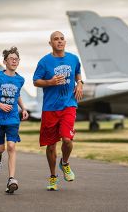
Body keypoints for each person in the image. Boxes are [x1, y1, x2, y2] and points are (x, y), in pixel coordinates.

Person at [33, 31, 83, 191]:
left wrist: (80, 83)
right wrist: (50, 82)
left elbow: (77, 73)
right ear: (50, 43)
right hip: (50, 108)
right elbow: (36, 81)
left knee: (67, 139)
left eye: (62, 39)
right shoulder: (44, 62)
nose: (59, 41)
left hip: (69, 104)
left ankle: (65, 163)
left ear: (65, 42)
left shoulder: (73, 58)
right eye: (56, 39)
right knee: (51, 145)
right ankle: (53, 176)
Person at [0, 46, 29, 194]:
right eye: (11, 59)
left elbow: (17, 95)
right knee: (1, 148)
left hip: (13, 119)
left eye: (16, 59)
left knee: (11, 146)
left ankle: (11, 179)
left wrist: (24, 108)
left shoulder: (20, 79)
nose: (14, 61)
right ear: (5, 61)